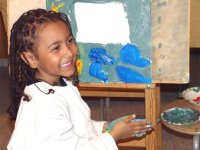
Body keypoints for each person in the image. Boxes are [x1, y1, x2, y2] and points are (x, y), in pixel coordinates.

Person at [7, 8, 152, 150]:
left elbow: (77, 125)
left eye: (69, 41)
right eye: (56, 48)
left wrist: (104, 128)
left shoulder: (61, 83)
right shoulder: (44, 106)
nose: (69, 52)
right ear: (31, 59)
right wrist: (113, 136)